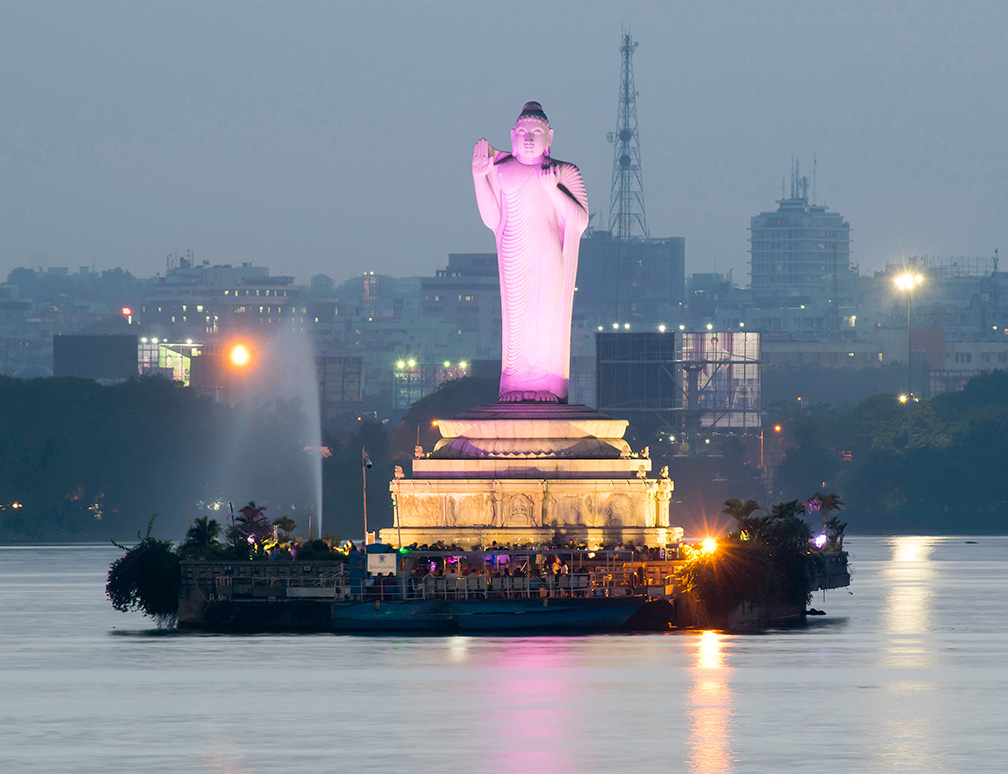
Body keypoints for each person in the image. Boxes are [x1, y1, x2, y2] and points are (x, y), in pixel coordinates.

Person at [473, 101, 589, 403]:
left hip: (548, 256)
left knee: (544, 319)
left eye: (536, 132)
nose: (528, 138)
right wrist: (479, 177)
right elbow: (492, 219)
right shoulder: (501, 170)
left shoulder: (564, 171)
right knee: (517, 324)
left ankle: (547, 386)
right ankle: (514, 385)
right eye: (523, 132)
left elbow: (579, 221)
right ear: (512, 136)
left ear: (549, 138)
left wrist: (552, 189)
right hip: (513, 251)